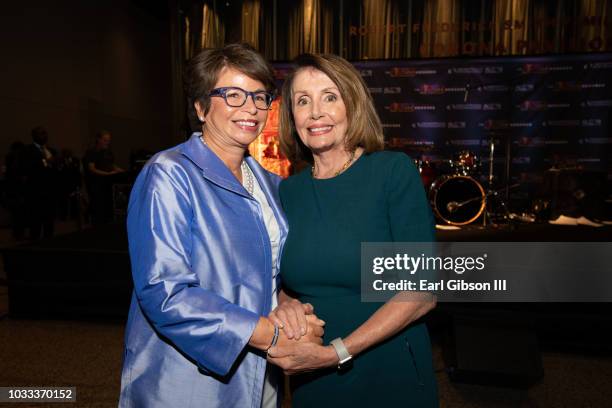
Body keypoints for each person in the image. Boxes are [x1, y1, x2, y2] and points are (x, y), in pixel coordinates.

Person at [118, 43, 324, 408]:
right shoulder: (169, 173)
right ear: (200, 107)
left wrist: (286, 301)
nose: (250, 108)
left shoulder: (270, 184)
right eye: (233, 94)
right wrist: (270, 334)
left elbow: (267, 271)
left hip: (262, 376)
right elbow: (166, 292)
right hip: (188, 380)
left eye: (260, 97)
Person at [267, 54, 439, 407]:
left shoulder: (392, 172)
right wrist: (285, 304)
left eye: (330, 96)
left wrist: (336, 353)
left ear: (353, 104)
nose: (316, 112)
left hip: (388, 369)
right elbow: (287, 281)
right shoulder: (288, 191)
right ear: (292, 116)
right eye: (303, 101)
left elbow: (422, 292)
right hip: (313, 374)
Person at [19, 127, 57, 239]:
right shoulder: (27, 151)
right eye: (41, 134)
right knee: (35, 222)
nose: (44, 136)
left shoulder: (51, 151)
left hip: (49, 191)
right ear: (34, 136)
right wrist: (45, 161)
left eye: (45, 133)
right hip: (35, 192)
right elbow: (25, 168)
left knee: (49, 222)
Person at [83, 130, 124, 225]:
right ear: (98, 140)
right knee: (97, 208)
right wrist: (108, 175)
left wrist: (122, 172)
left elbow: (112, 166)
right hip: (95, 184)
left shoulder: (108, 152)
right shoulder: (91, 152)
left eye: (108, 140)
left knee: (107, 208)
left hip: (107, 184)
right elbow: (92, 169)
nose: (107, 143)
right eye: (105, 140)